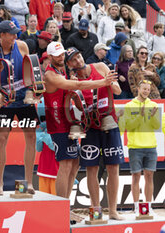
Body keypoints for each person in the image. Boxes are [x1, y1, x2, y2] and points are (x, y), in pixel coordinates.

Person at [43, 42, 116, 222]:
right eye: (58, 55)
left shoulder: (62, 71)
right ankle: (61, 210)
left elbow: (74, 94)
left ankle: (65, 208)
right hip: (58, 125)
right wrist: (102, 82)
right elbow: (81, 86)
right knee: (66, 165)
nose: (61, 57)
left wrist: (75, 90)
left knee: (74, 164)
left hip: (70, 124)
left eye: (62, 54)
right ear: (50, 57)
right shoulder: (50, 74)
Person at [65, 46, 124, 220]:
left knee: (113, 168)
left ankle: (112, 210)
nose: (79, 60)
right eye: (74, 59)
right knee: (92, 169)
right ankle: (95, 210)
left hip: (109, 123)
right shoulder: (74, 82)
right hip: (90, 127)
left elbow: (118, 91)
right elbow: (76, 107)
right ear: (69, 64)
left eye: (79, 56)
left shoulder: (100, 67)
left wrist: (110, 82)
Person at [0, 20, 38, 195]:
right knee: (2, 139)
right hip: (6, 104)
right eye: (11, 33)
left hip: (24, 101)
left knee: (30, 138)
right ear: (1, 36)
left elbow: (29, 70)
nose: (15, 36)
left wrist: (32, 91)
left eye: (16, 33)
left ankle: (29, 182)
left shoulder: (22, 46)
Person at [124, 80, 160, 213]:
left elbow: (156, 126)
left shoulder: (154, 105)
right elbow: (128, 126)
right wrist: (141, 115)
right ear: (138, 89)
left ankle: (148, 207)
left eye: (148, 89)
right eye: (144, 89)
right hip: (135, 147)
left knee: (149, 176)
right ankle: (135, 206)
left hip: (151, 146)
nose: (146, 91)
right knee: (136, 177)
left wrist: (151, 116)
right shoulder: (129, 105)